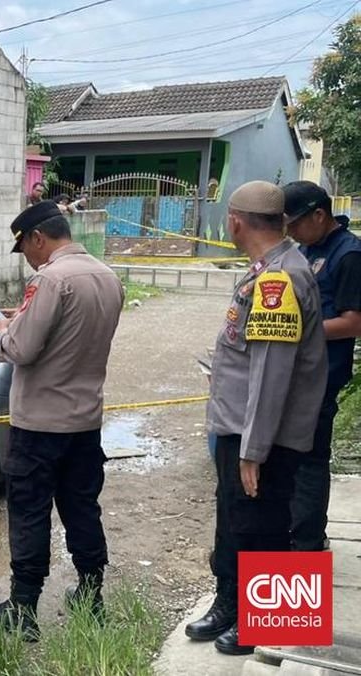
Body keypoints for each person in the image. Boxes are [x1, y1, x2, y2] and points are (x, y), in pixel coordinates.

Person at [186, 181, 327, 656]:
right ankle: (230, 601)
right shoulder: (267, 268)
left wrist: (254, 449)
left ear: (237, 221)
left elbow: (271, 372)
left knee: (262, 524)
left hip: (260, 433)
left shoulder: (278, 280)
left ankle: (266, 621)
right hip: (239, 427)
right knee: (234, 520)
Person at [0, 200, 125, 640]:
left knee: (29, 511)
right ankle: (90, 595)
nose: (27, 257)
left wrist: (5, 330)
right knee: (83, 508)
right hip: (85, 422)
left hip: (40, 425)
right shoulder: (108, 277)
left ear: (38, 238)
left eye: (24, 247)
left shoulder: (49, 280)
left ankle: (23, 608)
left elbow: (22, 350)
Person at [283, 181, 361, 552]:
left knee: (310, 458)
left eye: (295, 223)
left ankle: (308, 542)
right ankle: (296, 530)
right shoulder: (306, 249)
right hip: (295, 374)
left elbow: (353, 322)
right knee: (289, 459)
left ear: (319, 214)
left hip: (323, 375)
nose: (291, 232)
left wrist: (295, 330)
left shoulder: (349, 255)